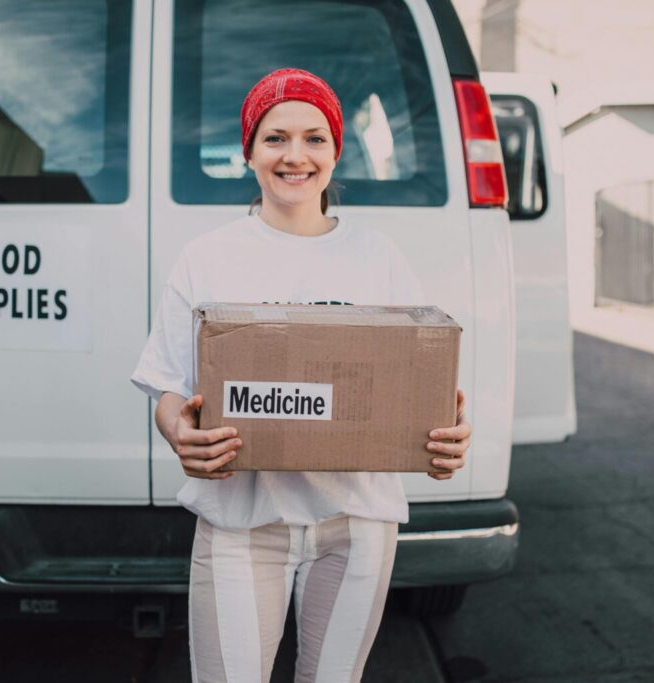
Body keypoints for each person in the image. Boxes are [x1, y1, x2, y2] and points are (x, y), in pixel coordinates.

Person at [131, 67, 471, 683]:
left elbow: (423, 384)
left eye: (315, 138)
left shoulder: (378, 257)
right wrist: (178, 432)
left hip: (357, 524)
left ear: (337, 152)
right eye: (276, 138)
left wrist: (448, 432)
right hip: (240, 522)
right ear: (249, 152)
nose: (296, 155)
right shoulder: (207, 256)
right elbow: (169, 387)